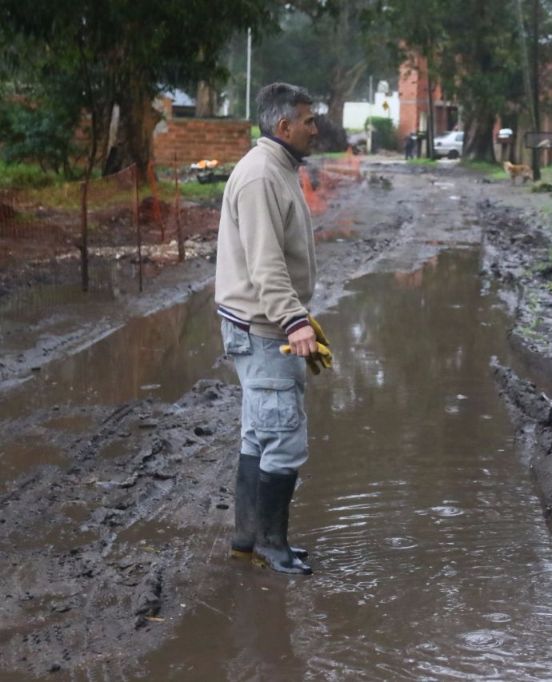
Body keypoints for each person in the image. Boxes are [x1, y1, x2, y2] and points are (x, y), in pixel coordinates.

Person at [215, 82, 324, 575]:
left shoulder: (277, 169)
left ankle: (248, 540)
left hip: (262, 323)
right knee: (282, 435)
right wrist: (294, 320)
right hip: (263, 328)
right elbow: (265, 264)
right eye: (307, 120)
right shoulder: (262, 176)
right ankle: (272, 546)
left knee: (259, 434)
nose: (315, 128)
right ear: (284, 126)